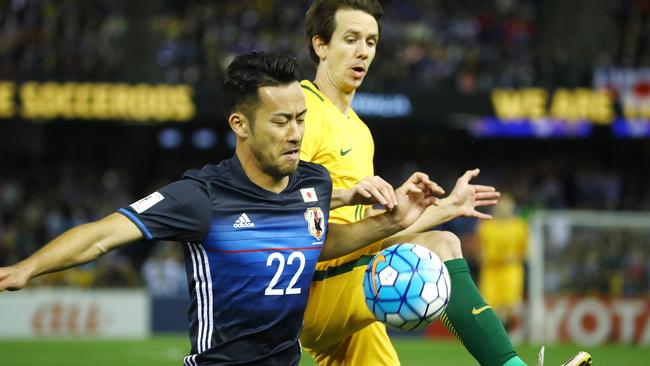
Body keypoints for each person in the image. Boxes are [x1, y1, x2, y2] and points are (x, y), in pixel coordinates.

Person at [0, 51, 440, 366]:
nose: (296, 134)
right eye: (281, 121)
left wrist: (392, 222)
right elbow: (101, 236)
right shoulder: (202, 196)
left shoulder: (314, 181)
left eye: (301, 119)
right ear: (240, 124)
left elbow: (316, 243)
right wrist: (25, 269)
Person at [299, 1, 592, 366]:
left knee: (441, 235)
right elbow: (284, 210)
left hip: (346, 285)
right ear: (320, 45)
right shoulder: (301, 111)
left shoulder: (359, 131)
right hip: (311, 287)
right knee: (441, 245)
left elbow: (365, 233)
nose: (363, 51)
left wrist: (446, 208)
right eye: (351, 39)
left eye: (371, 42)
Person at [478, 193, 528, 330]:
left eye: (507, 207)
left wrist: (514, 257)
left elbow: (527, 252)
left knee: (508, 307)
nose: (503, 210)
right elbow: (479, 250)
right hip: (491, 270)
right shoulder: (486, 226)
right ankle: (495, 335)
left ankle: (505, 335)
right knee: (488, 306)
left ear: (512, 208)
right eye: (501, 207)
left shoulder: (520, 226)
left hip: (511, 270)